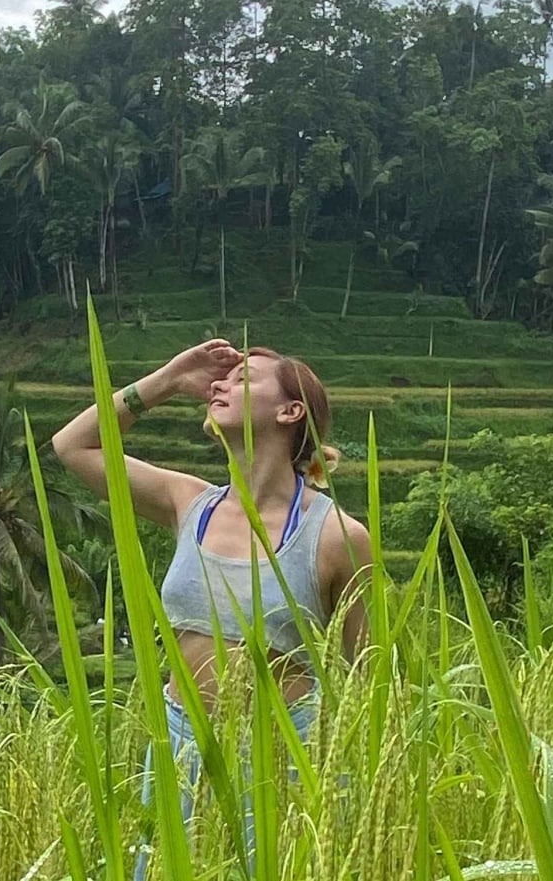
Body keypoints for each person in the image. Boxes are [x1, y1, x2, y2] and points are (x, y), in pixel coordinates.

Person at [51, 339, 372, 879]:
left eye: (245, 379)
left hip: (281, 748)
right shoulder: (189, 502)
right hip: (179, 740)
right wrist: (169, 380)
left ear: (289, 412)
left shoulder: (337, 536)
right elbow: (72, 446)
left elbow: (370, 673)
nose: (222, 384)